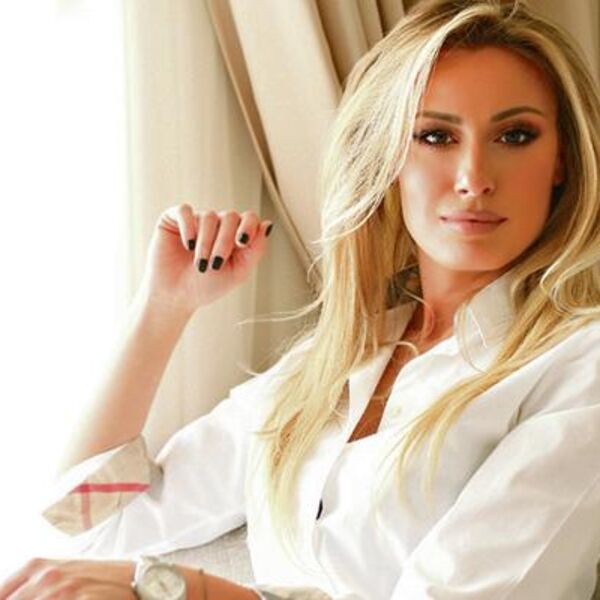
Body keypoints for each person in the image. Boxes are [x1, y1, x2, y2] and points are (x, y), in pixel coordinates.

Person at [2, 0, 600, 597]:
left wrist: (188, 590)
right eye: (435, 136)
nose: (474, 177)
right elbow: (90, 526)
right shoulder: (331, 363)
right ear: (387, 157)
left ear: (562, 162)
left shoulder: (581, 364)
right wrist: (162, 309)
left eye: (515, 135)